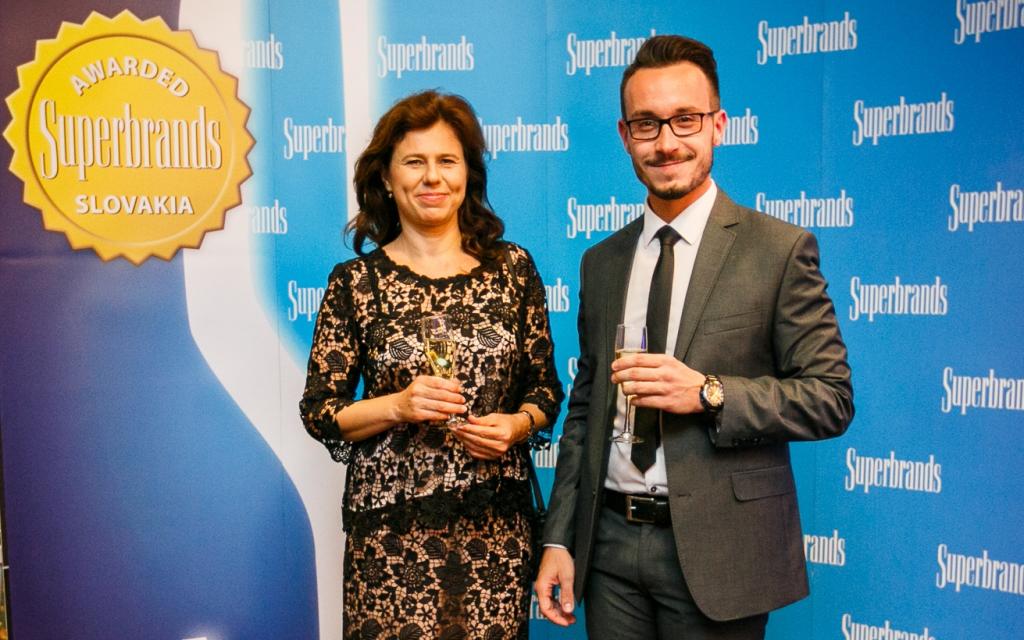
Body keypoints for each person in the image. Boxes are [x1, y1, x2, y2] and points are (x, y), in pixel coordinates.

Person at [534, 35, 854, 639]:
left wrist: (708, 393)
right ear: (626, 135)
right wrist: (559, 537)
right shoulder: (601, 262)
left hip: (719, 552)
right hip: (609, 551)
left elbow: (830, 398)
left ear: (718, 125)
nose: (667, 142)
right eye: (647, 124)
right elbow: (586, 408)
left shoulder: (778, 250)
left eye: (685, 119)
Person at [300, 90, 563, 639]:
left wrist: (517, 426)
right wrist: (397, 406)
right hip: (390, 534)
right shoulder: (356, 284)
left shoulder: (514, 270)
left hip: (495, 531)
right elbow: (321, 411)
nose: (432, 177)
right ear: (387, 177)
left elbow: (545, 391)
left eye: (447, 160)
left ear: (467, 174)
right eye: (414, 162)